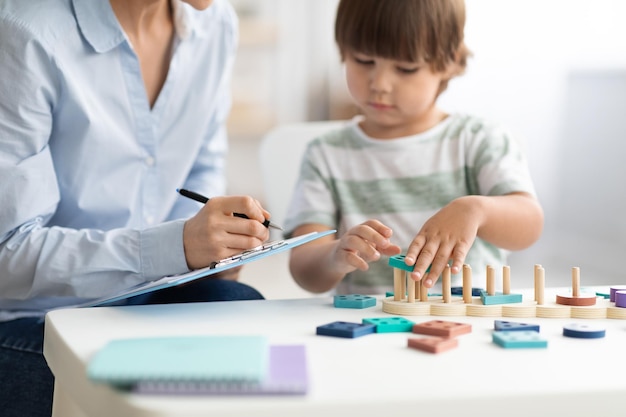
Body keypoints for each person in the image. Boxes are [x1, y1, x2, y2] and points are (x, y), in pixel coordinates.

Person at [0, 0, 273, 415]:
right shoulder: (25, 32)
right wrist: (173, 246)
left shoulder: (214, 25)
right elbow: (7, 253)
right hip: (34, 319)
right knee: (140, 394)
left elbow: (204, 169)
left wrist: (216, 245)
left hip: (145, 299)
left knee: (240, 309)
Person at [284, 0, 544, 296]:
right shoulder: (326, 154)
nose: (380, 84)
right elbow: (304, 270)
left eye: (406, 68)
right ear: (343, 53)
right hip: (368, 329)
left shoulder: (479, 139)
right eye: (363, 61)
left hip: (470, 324)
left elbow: (530, 224)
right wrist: (334, 257)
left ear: (451, 62)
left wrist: (477, 210)